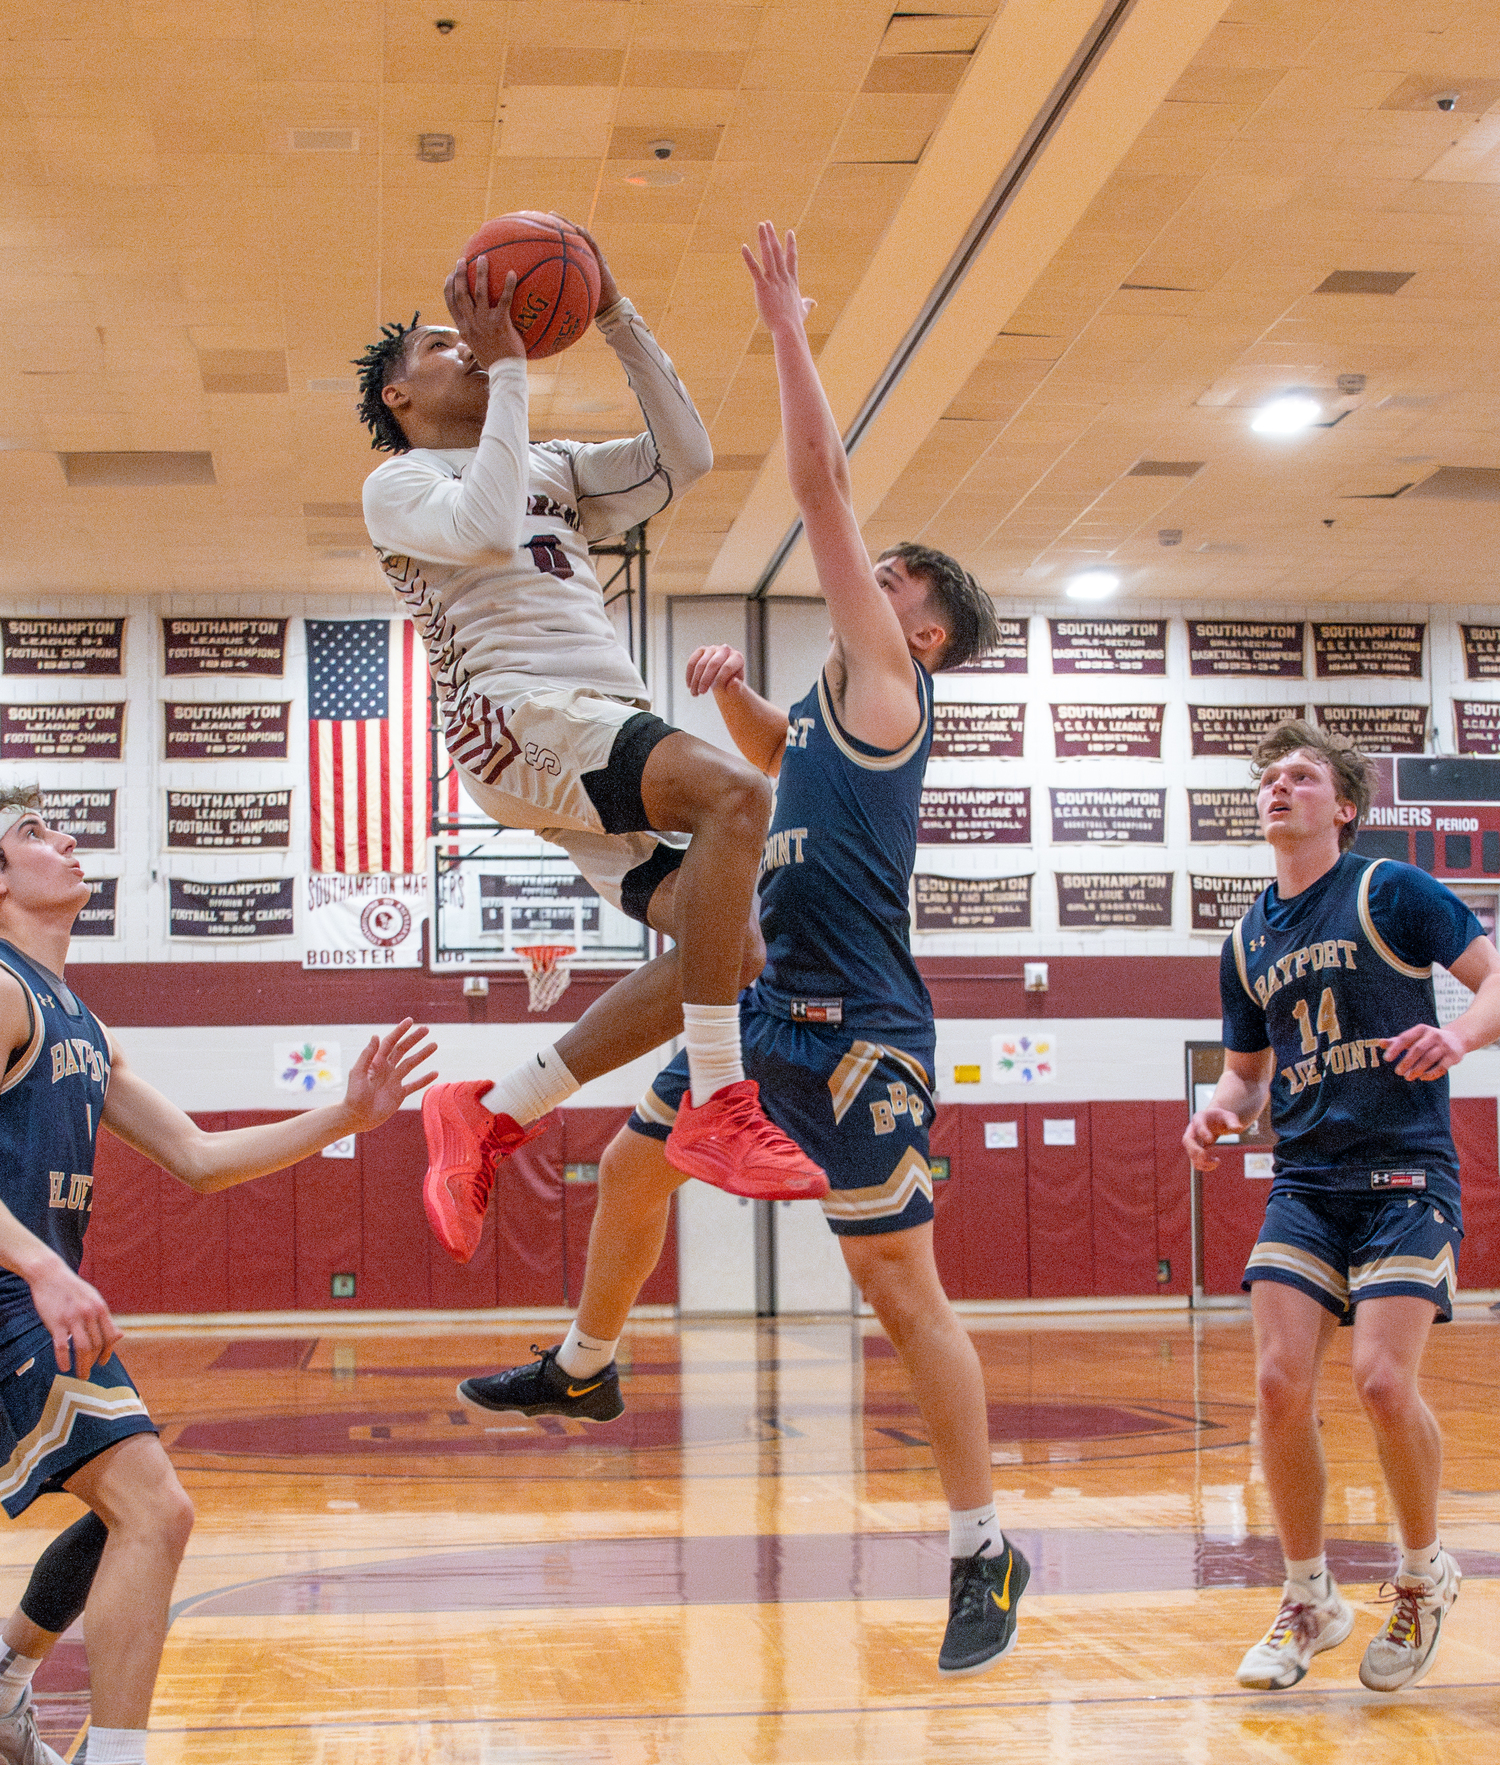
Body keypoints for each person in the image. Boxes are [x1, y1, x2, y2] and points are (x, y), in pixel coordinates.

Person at [454, 221, 1030, 1677]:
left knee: (904, 1301)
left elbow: (820, 485)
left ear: (927, 632)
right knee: (637, 1164)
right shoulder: (837, 718)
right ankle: (584, 1367)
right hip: (772, 1009)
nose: (876, 574)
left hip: (858, 1029)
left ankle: (984, 1545)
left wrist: (786, 324)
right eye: (880, 573)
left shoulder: (893, 683)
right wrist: (733, 704)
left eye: (899, 580)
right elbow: (783, 778)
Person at [357, 228, 825, 1246]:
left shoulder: (554, 466)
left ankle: (495, 1109)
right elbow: (482, 524)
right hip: (517, 717)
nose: (465, 348)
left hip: (585, 724)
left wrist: (614, 313)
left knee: (732, 947)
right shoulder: (398, 485)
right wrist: (515, 367)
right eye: (441, 346)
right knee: (740, 795)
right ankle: (718, 1101)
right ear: (399, 397)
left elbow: (684, 459)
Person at [0, 789, 435, 1765]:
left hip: (29, 1298)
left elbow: (197, 1157)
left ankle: (8, 1679)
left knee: (136, 1512)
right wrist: (38, 1263)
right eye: (31, 833)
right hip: (14, 1293)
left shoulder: (78, 1019)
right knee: (153, 1510)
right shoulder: (3, 989)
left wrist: (346, 1117)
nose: (65, 840)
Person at [1183, 720, 1500, 1694]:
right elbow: (1245, 1074)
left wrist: (1460, 1041)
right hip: (1308, 1182)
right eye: (1270, 776)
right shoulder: (1245, 938)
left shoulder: (1388, 890)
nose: (1281, 787)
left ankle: (1422, 1574)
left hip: (1406, 1173)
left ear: (1345, 806)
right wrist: (1220, 1109)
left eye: (1304, 776)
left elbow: (1494, 982)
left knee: (1379, 1383)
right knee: (1279, 1385)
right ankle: (1311, 1595)